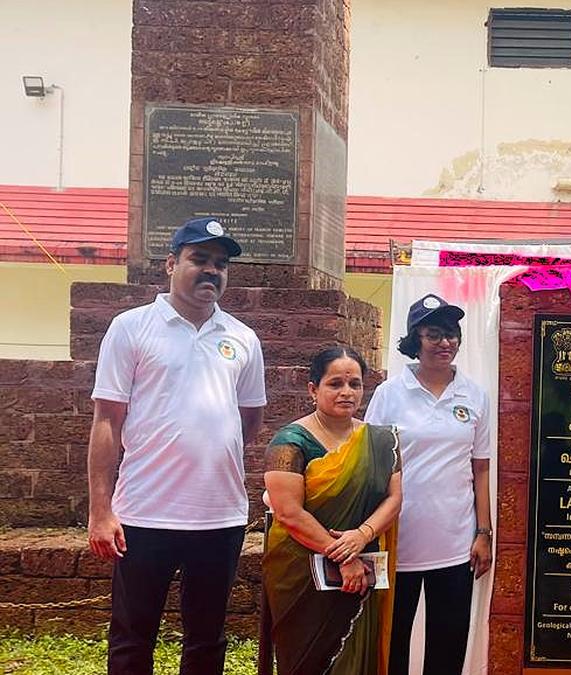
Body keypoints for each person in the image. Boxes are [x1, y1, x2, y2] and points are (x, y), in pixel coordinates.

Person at [87, 218, 266, 675]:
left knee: (207, 639)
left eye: (221, 264)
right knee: (132, 637)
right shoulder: (131, 328)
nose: (211, 271)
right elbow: (107, 421)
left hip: (218, 516)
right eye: (199, 260)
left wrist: (206, 452)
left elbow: (248, 422)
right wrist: (101, 511)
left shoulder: (243, 339)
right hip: (143, 515)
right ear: (171, 263)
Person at [364, 294, 493, 675]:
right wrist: (368, 534)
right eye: (434, 334)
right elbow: (371, 466)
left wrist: (483, 532)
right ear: (414, 340)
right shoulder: (390, 392)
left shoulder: (474, 395)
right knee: (393, 646)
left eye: (451, 333)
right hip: (398, 543)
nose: (446, 342)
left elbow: (481, 468)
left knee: (448, 646)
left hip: (455, 546)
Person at [262, 346, 403, 674]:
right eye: (335, 383)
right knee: (306, 659)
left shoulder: (380, 440)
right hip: (302, 574)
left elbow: (393, 499)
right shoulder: (290, 441)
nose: (347, 392)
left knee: (358, 656)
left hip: (363, 569)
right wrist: (345, 556)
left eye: (355, 384)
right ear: (313, 389)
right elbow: (288, 513)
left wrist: (362, 535)